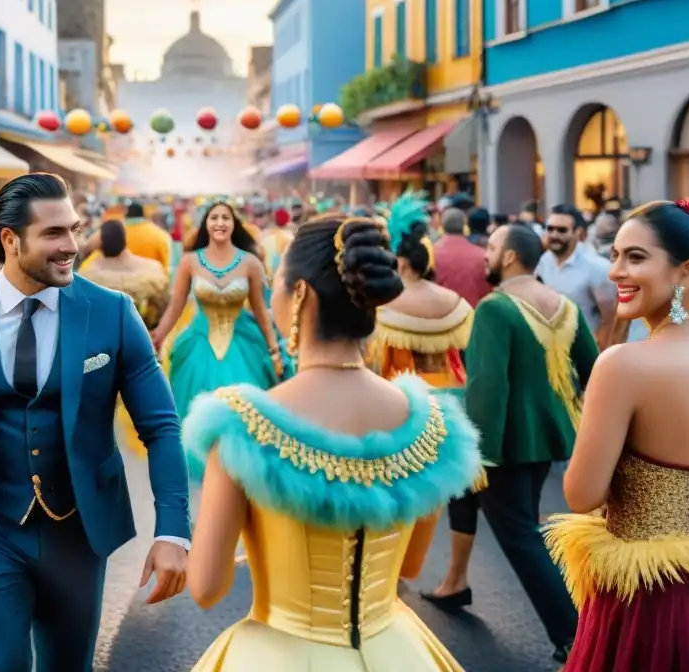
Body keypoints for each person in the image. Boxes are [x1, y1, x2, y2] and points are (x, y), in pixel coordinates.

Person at [0, 173, 191, 672]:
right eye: (54, 234)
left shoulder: (111, 312)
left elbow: (161, 426)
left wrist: (173, 530)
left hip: (78, 533)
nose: (72, 246)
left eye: (74, 229)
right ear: (10, 239)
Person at [182, 215, 481, 671]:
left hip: (279, 651)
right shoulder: (433, 424)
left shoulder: (242, 424)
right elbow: (409, 566)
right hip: (394, 647)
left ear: (299, 292)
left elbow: (206, 586)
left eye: (279, 282)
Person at [545, 199, 689, 671]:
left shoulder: (623, 365)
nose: (616, 271)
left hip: (648, 600)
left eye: (636, 257)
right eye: (614, 254)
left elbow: (580, 493)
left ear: (686, 272)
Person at [466, 223, 599, 663]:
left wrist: (479, 455)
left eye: (490, 246)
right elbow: (593, 368)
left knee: (522, 535)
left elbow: (487, 387)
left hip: (504, 443)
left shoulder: (495, 308)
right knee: (527, 529)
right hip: (548, 436)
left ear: (508, 257)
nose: (484, 254)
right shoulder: (562, 304)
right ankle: (454, 580)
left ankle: (573, 635)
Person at [370, 194, 480, 609]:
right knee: (448, 498)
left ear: (400, 263)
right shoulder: (452, 302)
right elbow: (462, 357)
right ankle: (447, 575)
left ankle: (391, 571)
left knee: (399, 496)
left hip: (409, 403)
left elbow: (382, 365)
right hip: (455, 398)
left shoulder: (389, 306)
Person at [151, 200, 284, 427]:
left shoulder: (251, 263)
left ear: (234, 224)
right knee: (195, 419)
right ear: (206, 224)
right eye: (214, 218)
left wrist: (274, 350)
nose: (220, 223)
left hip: (243, 346)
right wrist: (156, 338)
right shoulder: (189, 262)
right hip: (198, 345)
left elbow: (260, 310)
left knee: (243, 417)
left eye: (226, 218)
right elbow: (176, 306)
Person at [79, 219, 170, 457]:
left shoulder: (88, 273)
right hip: (141, 344)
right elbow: (163, 304)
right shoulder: (150, 271)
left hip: (100, 352)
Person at [537, 204, 617, 348]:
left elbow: (610, 320)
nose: (554, 235)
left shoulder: (597, 267)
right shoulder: (542, 261)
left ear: (578, 232)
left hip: (583, 354)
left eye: (562, 230)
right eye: (550, 229)